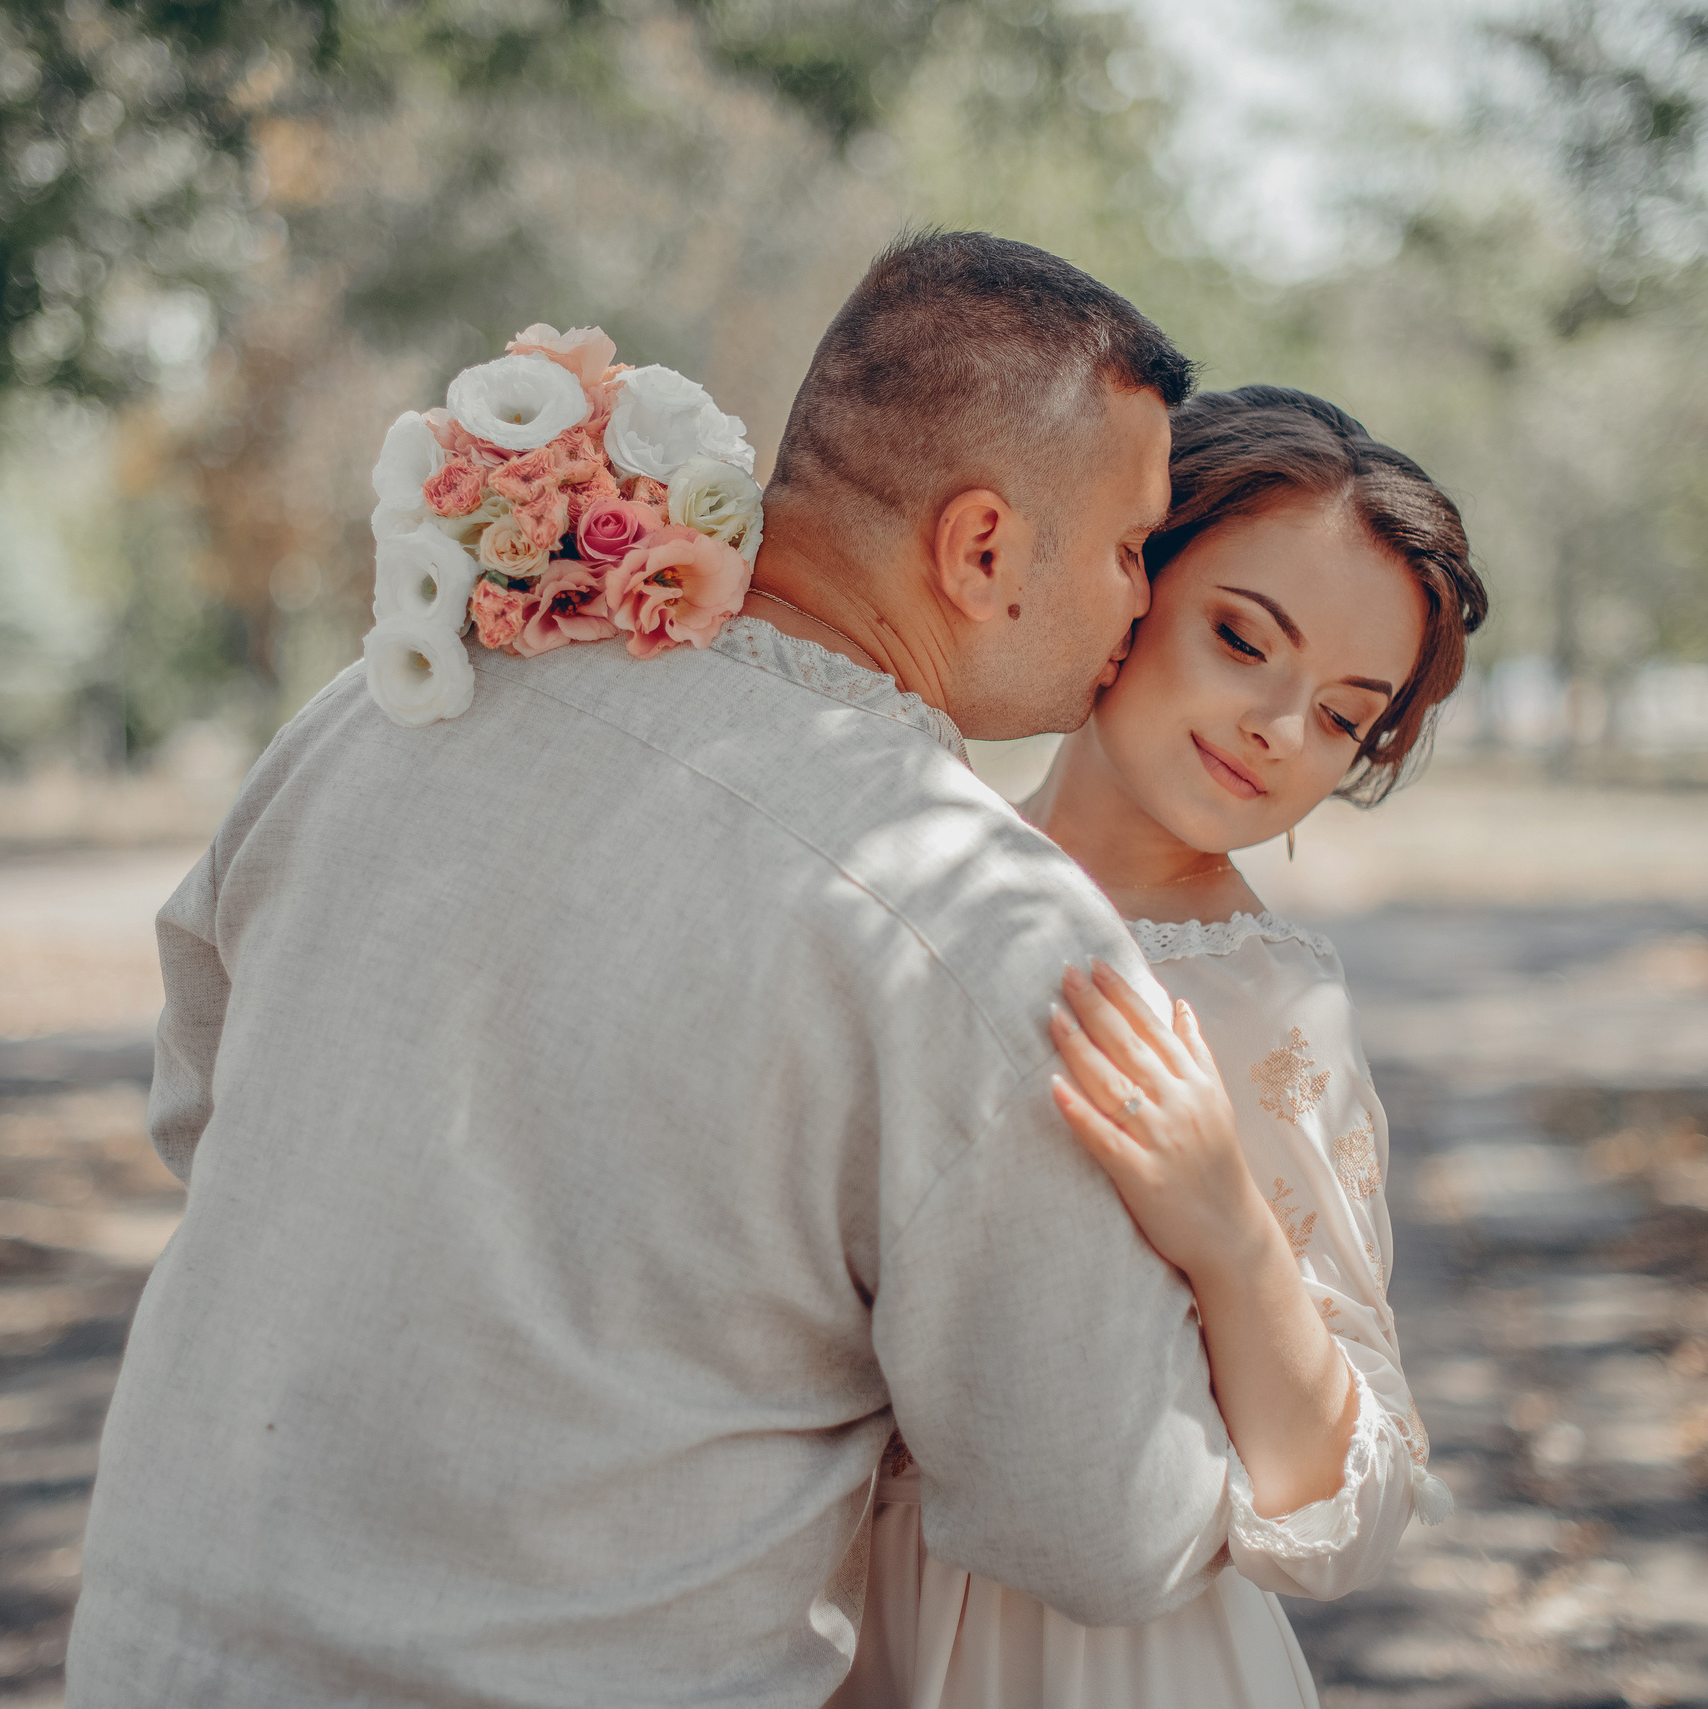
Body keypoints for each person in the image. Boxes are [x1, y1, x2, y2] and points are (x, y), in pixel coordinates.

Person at [64, 232, 1244, 1707]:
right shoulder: (977, 919)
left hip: (155, 1654)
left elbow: (202, 1111)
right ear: (983, 549)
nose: (1144, 599)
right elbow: (1103, 1523)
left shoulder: (392, 703)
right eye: (1132, 547)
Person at [835, 385, 1487, 1708]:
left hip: (1105, 1664)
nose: (1277, 728)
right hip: (820, 1623)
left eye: (1343, 717)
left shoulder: (1261, 1004)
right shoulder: (881, 854)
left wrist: (1227, 1222)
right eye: (1244, 638)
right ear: (1130, 582)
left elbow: (1352, 1499)